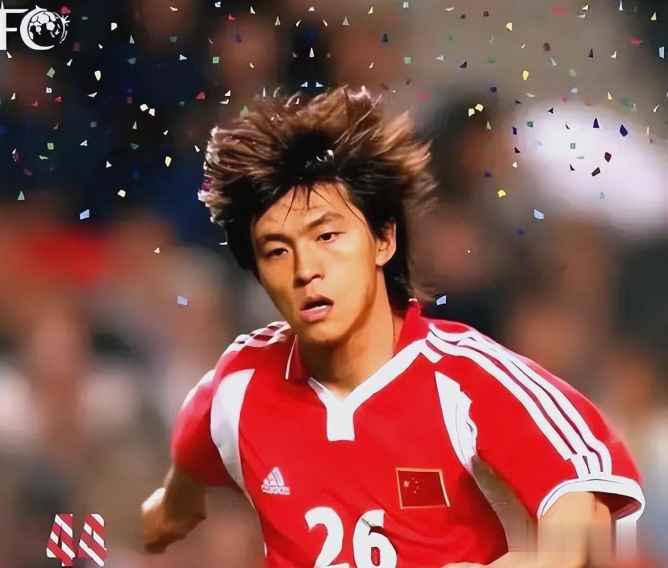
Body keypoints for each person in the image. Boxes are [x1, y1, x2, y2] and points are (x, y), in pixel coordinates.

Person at [141, 86, 644, 567]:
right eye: (276, 250)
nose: (305, 269)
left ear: (384, 239)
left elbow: (582, 515)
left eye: (327, 236)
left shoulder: (468, 379)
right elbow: (177, 497)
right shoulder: (238, 386)